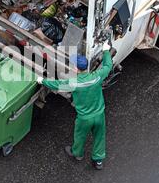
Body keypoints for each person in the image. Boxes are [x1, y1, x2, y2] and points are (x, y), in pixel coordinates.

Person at [38, 42, 113, 170]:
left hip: (84, 118)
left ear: (77, 69)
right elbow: (108, 65)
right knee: (99, 136)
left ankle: (77, 154)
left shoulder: (74, 83)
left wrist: (42, 80)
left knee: (79, 136)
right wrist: (106, 51)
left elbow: (57, 85)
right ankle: (98, 160)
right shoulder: (97, 77)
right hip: (99, 115)